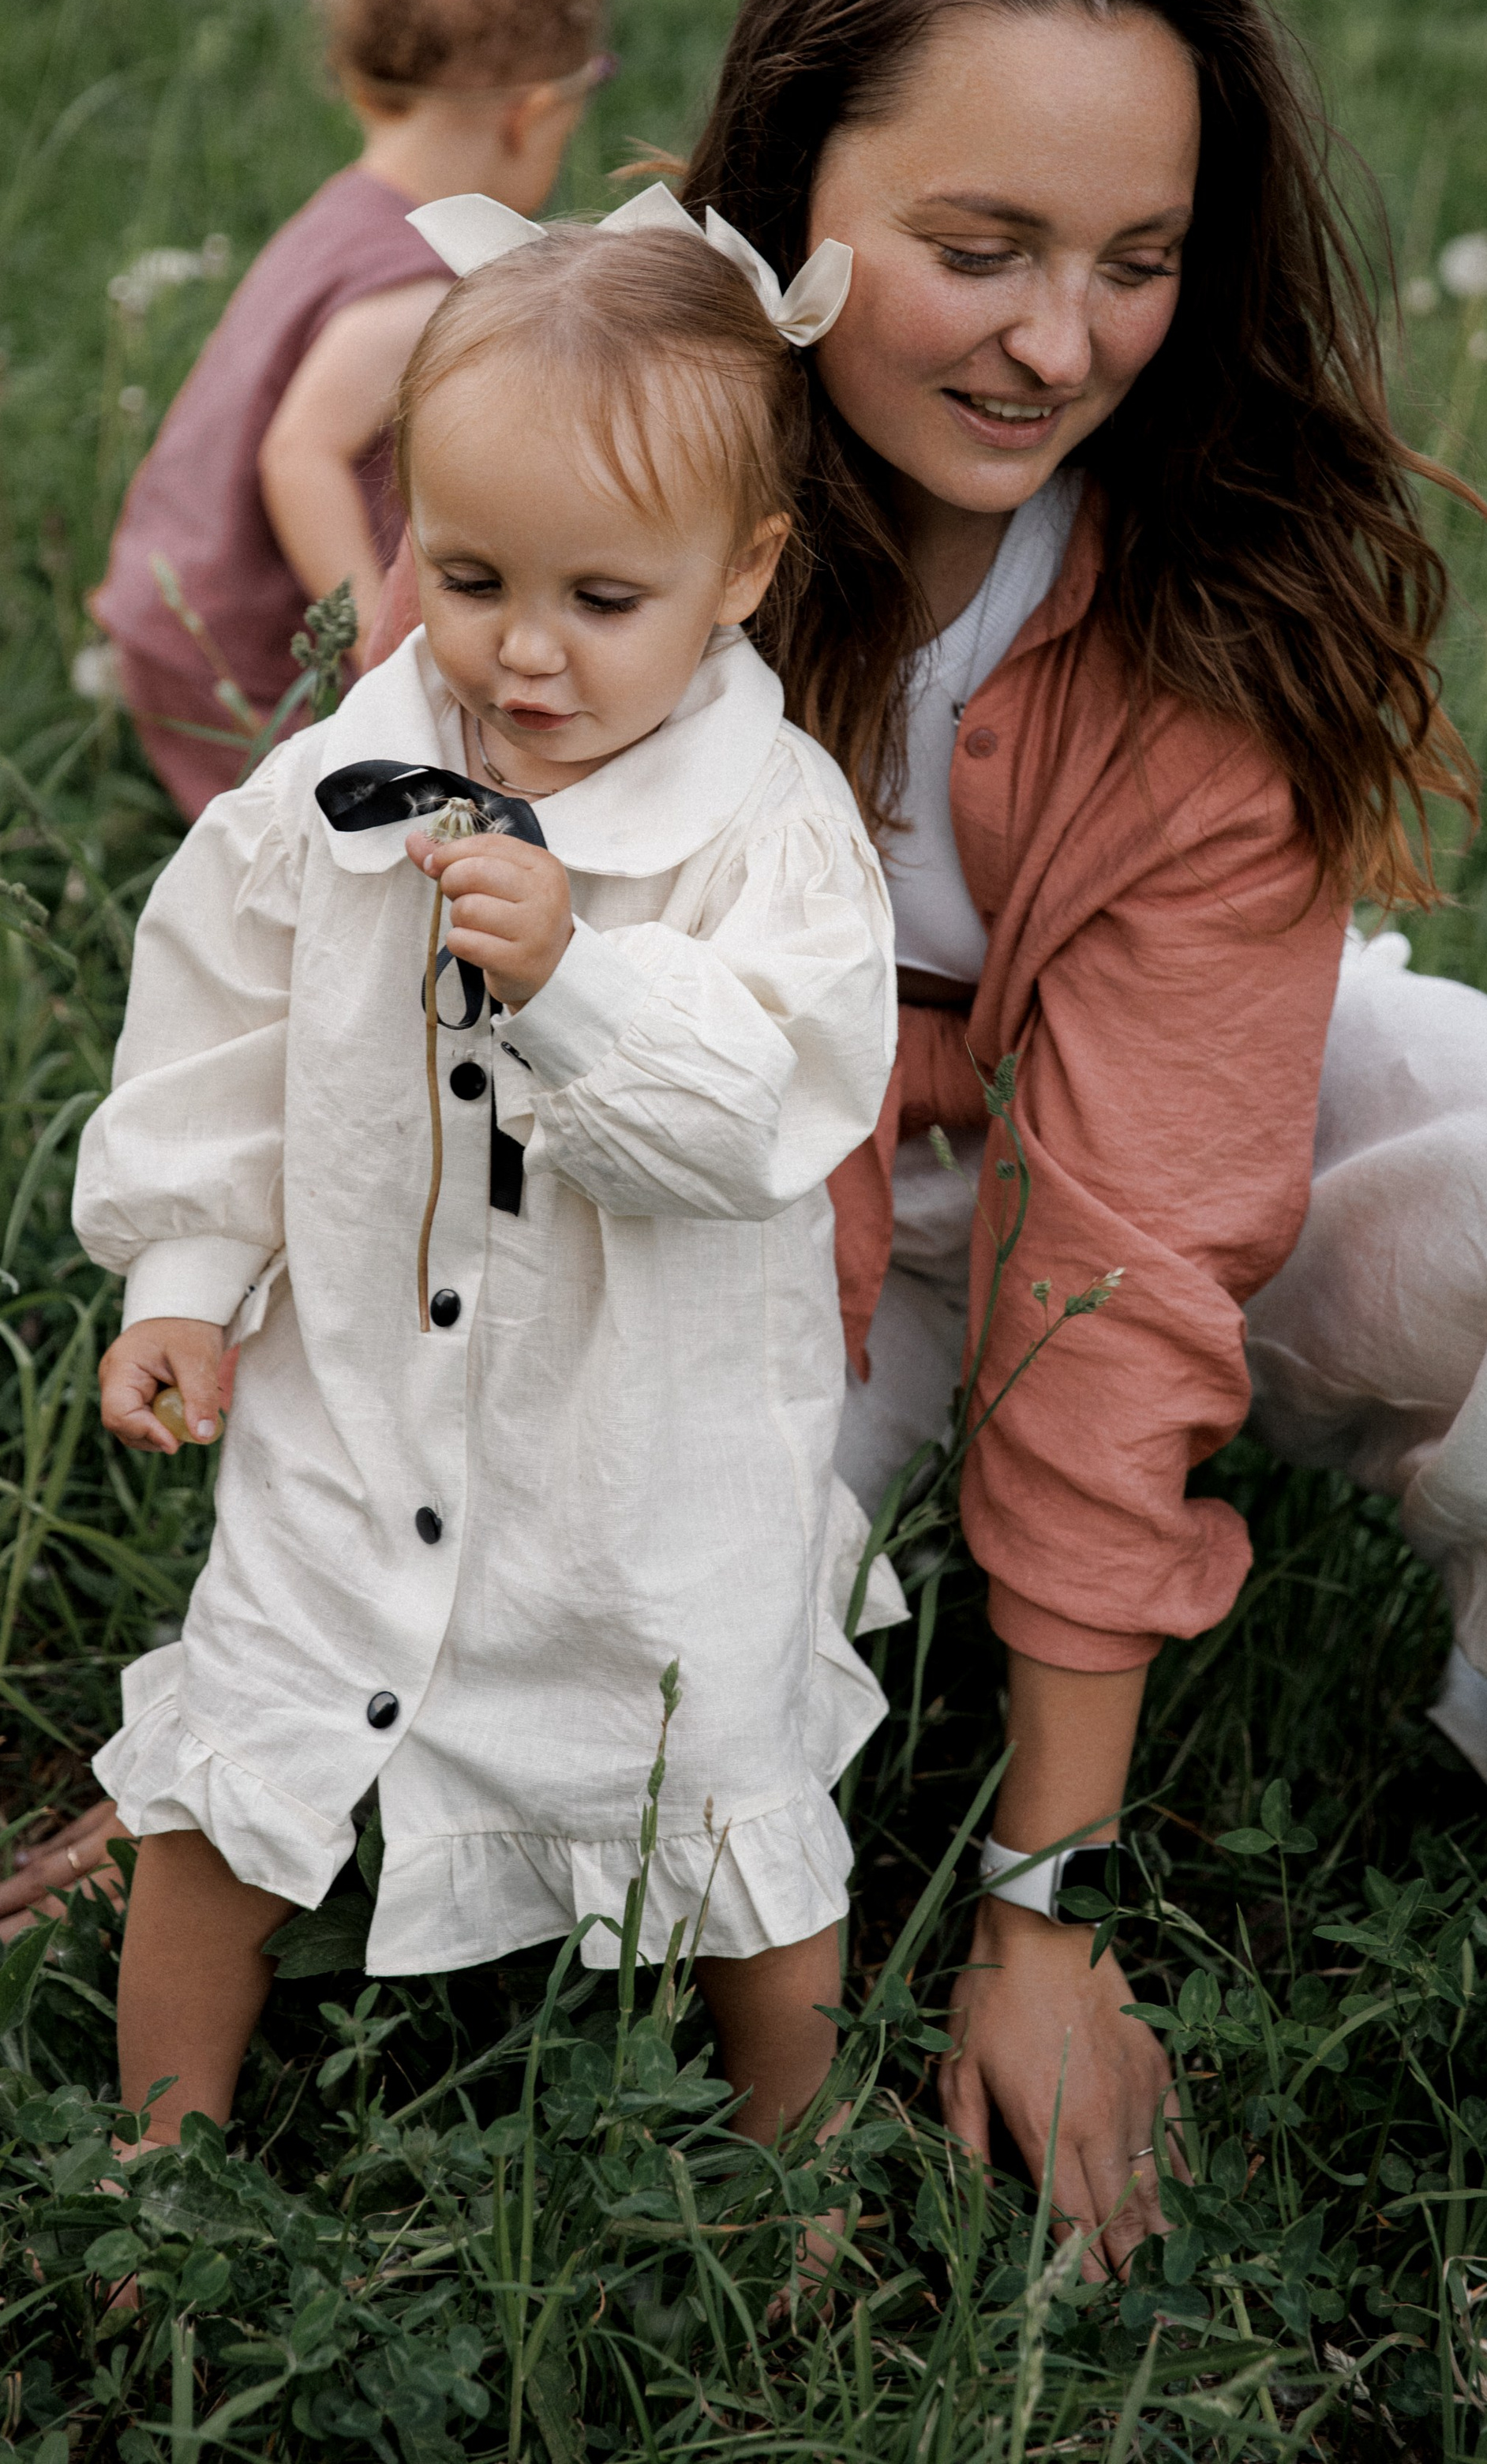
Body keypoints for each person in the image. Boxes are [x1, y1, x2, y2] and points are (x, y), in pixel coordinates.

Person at [667, 0, 1487, 2274]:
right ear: (788, 176)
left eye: (1133, 260)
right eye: (978, 245)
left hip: (1179, 1080)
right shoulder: (616, 413)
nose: (1060, 341)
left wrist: (1045, 1894)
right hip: (739, 1167)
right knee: (628, 1672)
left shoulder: (1194, 570)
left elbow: (1127, 1236)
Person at [66, 191, 905, 2154]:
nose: (522, 652)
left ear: (740, 573)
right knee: (232, 1770)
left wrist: (580, 985)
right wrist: (186, 1275)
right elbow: (219, 1048)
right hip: (352, 1423)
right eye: (467, 576)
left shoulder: (765, 838)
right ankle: (148, 2164)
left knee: (720, 1806)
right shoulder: (326, 796)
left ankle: (796, 2171)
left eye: (599, 600)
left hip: (639, 1462)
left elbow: (776, 1109)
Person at [88, 0, 611, 820]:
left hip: (172, 605)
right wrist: (377, 638)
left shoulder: (345, 210)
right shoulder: (420, 282)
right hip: (238, 654)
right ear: (529, 113)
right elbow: (301, 451)